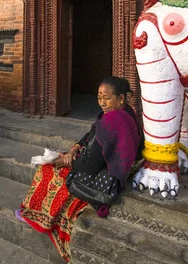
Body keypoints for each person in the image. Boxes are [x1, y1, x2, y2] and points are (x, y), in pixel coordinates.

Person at [16, 76, 142, 262]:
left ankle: (37, 214)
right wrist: (75, 148)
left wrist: (66, 160)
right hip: (110, 165)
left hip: (105, 174)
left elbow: (90, 166)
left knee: (48, 170)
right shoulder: (125, 111)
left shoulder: (114, 120)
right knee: (60, 158)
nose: (102, 103)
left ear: (121, 98)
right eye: (99, 98)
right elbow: (93, 132)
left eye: (106, 98)